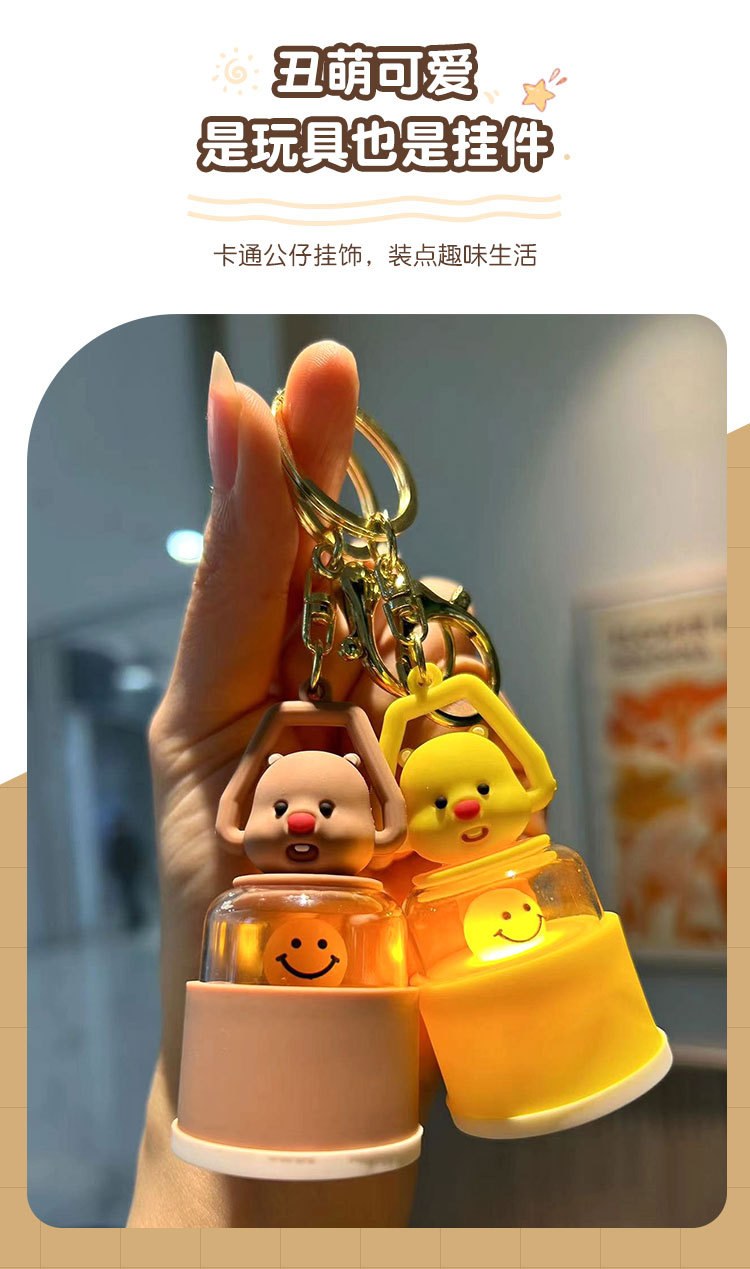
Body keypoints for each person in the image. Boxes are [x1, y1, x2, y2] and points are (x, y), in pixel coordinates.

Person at [128, 340, 536, 1227]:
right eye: (282, 806)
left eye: (319, 803)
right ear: (246, 815)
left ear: (384, 823)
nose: (305, 818)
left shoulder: (372, 882)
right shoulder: (237, 903)